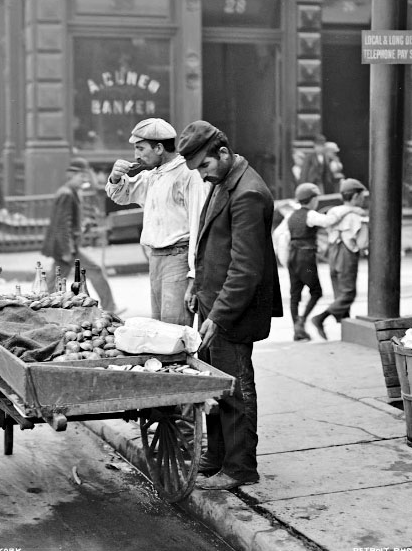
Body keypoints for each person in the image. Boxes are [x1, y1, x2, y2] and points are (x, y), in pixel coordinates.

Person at [178, 120, 283, 491]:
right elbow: (213, 244)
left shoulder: (248, 193)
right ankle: (216, 456)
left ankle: (240, 468)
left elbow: (245, 269)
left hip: (233, 311)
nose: (203, 176)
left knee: (236, 388)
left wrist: (218, 316)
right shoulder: (224, 181)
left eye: (204, 166)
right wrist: (197, 285)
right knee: (213, 383)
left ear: (222, 153)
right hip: (214, 302)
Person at [105, 118, 207, 326]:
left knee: (175, 331)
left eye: (141, 148)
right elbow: (122, 195)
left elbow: (200, 225)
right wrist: (115, 178)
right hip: (156, 259)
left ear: (159, 148)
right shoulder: (153, 175)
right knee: (160, 330)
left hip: (178, 258)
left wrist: (194, 274)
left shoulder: (188, 174)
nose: (136, 155)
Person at [42, 157, 117, 312]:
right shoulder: (67, 194)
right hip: (67, 248)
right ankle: (110, 308)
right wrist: (67, 250)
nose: (84, 179)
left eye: (85, 176)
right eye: (81, 176)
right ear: (71, 176)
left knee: (55, 279)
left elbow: (68, 223)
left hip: (67, 246)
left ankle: (43, 306)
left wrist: (82, 227)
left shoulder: (71, 192)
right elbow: (62, 225)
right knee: (93, 271)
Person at [310, 179, 369, 334]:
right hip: (346, 255)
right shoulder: (356, 217)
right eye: (362, 196)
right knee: (348, 293)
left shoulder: (333, 212)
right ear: (355, 196)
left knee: (339, 293)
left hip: (332, 253)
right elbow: (362, 243)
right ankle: (321, 318)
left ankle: (345, 328)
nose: (363, 200)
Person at [273, 183, 329, 341]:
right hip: (306, 258)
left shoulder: (291, 215)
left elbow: (278, 233)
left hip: (292, 257)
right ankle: (303, 320)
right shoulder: (311, 215)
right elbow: (328, 221)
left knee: (294, 294)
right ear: (313, 199)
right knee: (316, 291)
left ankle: (297, 330)